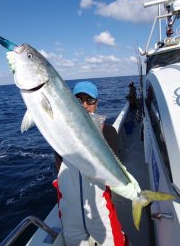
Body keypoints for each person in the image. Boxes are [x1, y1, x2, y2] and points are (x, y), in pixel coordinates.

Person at [53, 81, 128, 246]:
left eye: (90, 100)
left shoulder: (107, 132)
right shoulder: (60, 135)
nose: (85, 105)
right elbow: (60, 170)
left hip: (100, 213)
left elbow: (109, 172)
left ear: (97, 103)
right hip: (70, 216)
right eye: (79, 100)